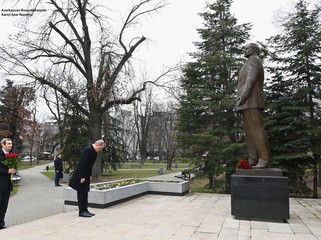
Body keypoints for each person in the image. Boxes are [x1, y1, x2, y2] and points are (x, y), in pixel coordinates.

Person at [236, 43, 272, 169]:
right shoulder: (248, 62)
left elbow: (250, 79)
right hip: (246, 103)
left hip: (252, 101)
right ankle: (253, 159)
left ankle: (265, 159)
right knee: (249, 133)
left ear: (254, 50)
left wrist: (244, 95)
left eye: (247, 48)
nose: (244, 50)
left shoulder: (254, 60)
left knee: (256, 130)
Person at [68, 139, 106, 217]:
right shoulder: (88, 150)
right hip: (81, 175)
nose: (100, 150)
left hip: (86, 175)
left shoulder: (94, 151)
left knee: (85, 192)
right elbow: (82, 164)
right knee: (81, 193)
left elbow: (89, 165)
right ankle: (81, 211)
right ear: (97, 145)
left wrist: (89, 175)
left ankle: (85, 209)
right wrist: (82, 176)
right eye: (101, 148)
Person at [0, 138, 16, 229]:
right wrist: (7, 171)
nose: (11, 145)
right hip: (0, 184)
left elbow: (14, 167)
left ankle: (1, 223)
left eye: (11, 144)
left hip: (7, 185)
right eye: (9, 143)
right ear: (3, 144)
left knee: (4, 206)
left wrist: (14, 170)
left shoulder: (11, 155)